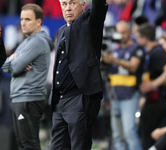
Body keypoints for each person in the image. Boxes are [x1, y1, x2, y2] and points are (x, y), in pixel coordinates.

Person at [48, 0, 108, 149]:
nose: (68, 8)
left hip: (79, 98)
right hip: (59, 100)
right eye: (64, 4)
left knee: (79, 146)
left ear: (83, 5)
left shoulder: (90, 23)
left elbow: (99, 6)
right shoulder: (61, 30)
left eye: (72, 3)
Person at [2, 4, 54, 150]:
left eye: (28, 19)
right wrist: (14, 61)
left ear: (39, 22)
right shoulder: (25, 42)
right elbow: (6, 66)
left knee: (29, 145)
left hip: (28, 98)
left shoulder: (37, 41)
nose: (23, 23)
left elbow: (14, 67)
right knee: (23, 144)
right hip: (22, 98)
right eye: (22, 19)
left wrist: (14, 61)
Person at [103, 20, 144, 150]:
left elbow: (133, 67)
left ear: (130, 32)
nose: (122, 35)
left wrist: (114, 60)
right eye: (119, 33)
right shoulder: (114, 50)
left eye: (124, 32)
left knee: (129, 132)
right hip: (115, 96)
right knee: (117, 135)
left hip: (129, 96)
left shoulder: (136, 48)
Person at [135, 23, 166, 150]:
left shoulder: (157, 52)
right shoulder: (150, 52)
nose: (136, 39)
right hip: (153, 99)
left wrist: (153, 84)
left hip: (160, 100)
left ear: (145, 38)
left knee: (148, 133)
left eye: (138, 36)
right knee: (145, 132)